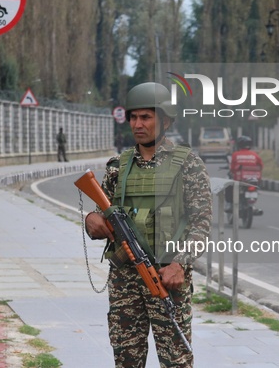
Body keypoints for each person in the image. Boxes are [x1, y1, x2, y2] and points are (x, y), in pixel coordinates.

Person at [84, 82, 212, 368]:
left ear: (165, 120)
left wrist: (180, 263)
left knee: (176, 361)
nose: (138, 124)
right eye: (133, 117)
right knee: (126, 359)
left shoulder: (188, 165)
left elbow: (201, 224)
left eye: (147, 117)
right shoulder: (118, 166)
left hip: (167, 278)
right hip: (125, 279)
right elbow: (99, 213)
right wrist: (91, 220)